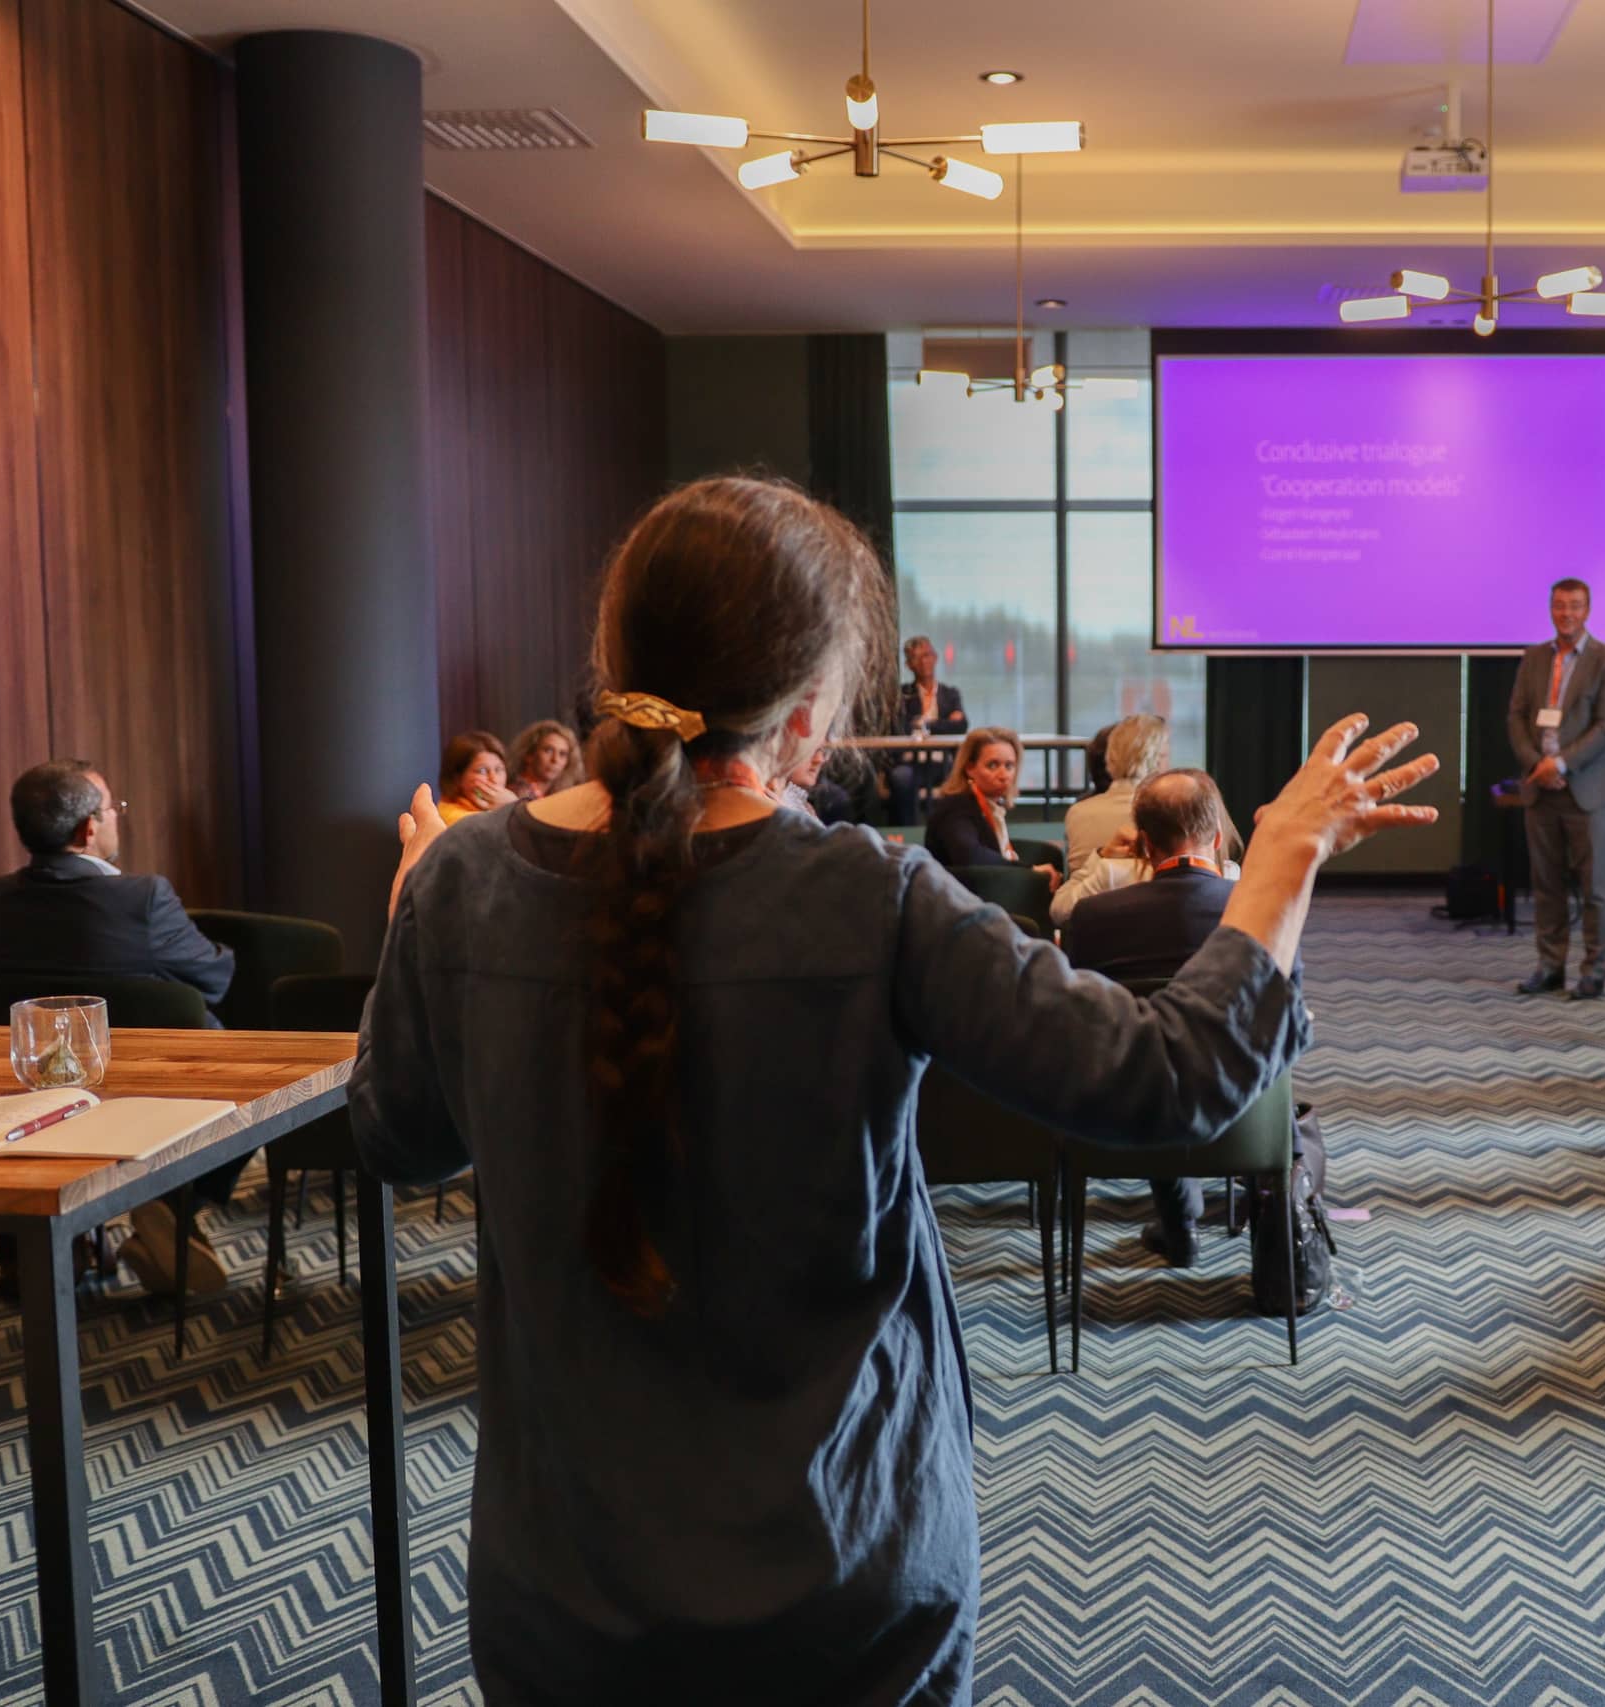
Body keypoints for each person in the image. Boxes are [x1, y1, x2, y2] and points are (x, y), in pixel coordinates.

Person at [347, 473, 1438, 1700]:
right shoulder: (874, 893)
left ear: (612, 659)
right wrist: (1280, 859)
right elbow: (1169, 1082)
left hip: (560, 1588)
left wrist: (412, 919)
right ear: (811, 715)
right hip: (843, 1576)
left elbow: (400, 1140)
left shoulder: (462, 881)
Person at [0, 760, 241, 1294]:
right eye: (111, 810)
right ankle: (172, 1201)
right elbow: (213, 975)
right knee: (251, 1076)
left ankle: (49, 1234)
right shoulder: (141, 897)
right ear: (88, 830)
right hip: (157, 1085)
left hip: (41, 1087)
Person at [1063, 770, 1256, 1268]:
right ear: (1216, 839)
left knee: (1153, 1050)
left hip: (1124, 1112)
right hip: (1242, 1106)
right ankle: (1274, 1222)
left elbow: (1084, 1024)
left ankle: (1179, 1221)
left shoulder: (1092, 918)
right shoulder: (1255, 911)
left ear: (1144, 846)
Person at [1507, 577, 1605, 999]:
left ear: (1588, 610)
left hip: (1589, 789)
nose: (1566, 614)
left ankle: (1594, 972)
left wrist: (1560, 763)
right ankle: (1550, 965)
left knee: (1595, 888)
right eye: (1559, 606)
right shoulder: (1534, 657)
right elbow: (1517, 717)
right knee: (1547, 885)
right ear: (1550, 609)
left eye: (1575, 606)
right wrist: (1537, 765)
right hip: (1542, 790)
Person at [1053, 716, 1169, 921]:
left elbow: (1063, 907)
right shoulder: (1169, 812)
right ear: (1156, 759)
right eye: (1167, 754)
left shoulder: (1077, 813)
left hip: (1087, 925)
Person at [925, 728, 1058, 891]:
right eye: (993, 765)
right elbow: (970, 855)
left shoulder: (991, 807)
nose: (1003, 775)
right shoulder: (954, 808)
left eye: (1009, 766)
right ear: (969, 768)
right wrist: (1028, 870)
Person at [887, 635, 969, 811]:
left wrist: (925, 724)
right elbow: (901, 727)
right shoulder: (902, 695)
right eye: (916, 657)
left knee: (964, 778)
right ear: (909, 664)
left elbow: (961, 725)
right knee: (900, 778)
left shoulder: (950, 694)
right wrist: (944, 723)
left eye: (927, 655)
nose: (924, 661)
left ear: (935, 657)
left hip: (943, 761)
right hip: (910, 761)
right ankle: (906, 833)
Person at [437, 731, 516, 825]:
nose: (494, 779)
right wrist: (512, 808)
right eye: (482, 771)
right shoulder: (455, 818)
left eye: (499, 770)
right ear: (457, 778)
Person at [509, 720, 584, 803]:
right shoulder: (515, 794)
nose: (555, 759)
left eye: (562, 754)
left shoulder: (558, 795)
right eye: (548, 750)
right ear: (529, 754)